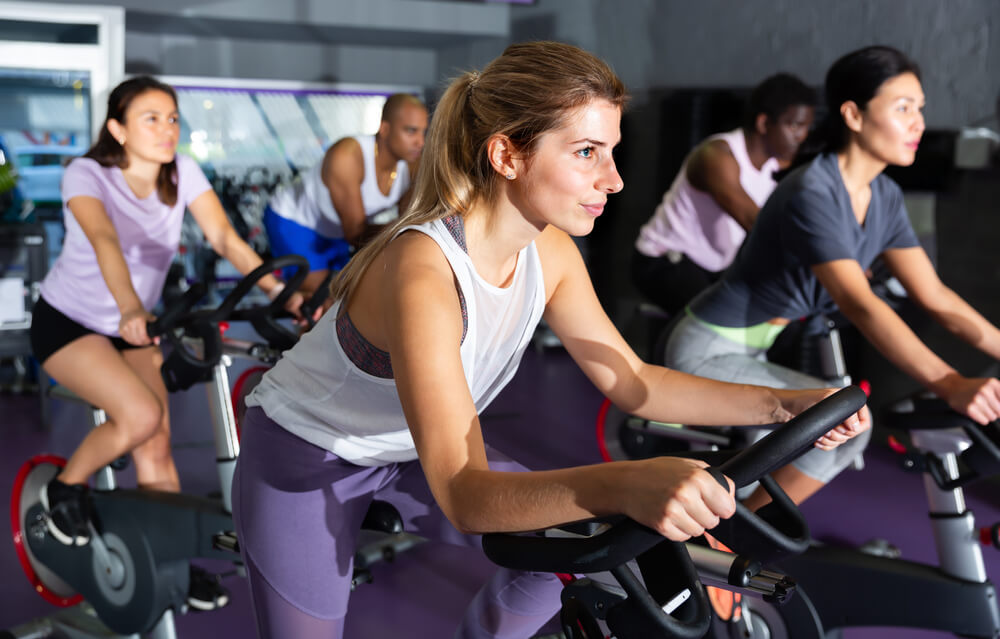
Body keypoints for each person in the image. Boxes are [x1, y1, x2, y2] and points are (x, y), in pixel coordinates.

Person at [231, 41, 869, 638]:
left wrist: (783, 406)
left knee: (569, 543)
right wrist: (623, 483)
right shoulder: (424, 271)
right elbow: (463, 494)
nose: (614, 180)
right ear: (507, 155)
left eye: (612, 152)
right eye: (587, 152)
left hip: (404, 448)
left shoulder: (552, 252)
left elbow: (636, 382)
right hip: (307, 454)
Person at [663, 45, 1000, 511]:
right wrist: (951, 383)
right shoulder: (812, 191)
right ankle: (730, 540)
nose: (918, 122)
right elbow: (860, 305)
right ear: (854, 116)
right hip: (704, 352)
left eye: (920, 109)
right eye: (903, 108)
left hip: (752, 350)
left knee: (845, 427)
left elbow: (937, 297)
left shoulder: (884, 197)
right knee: (841, 424)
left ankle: (733, 533)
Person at [29, 76, 308, 610]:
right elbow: (104, 238)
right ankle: (64, 489)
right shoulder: (86, 174)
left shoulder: (182, 172)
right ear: (117, 128)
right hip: (69, 322)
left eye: (173, 118)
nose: (167, 129)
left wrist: (281, 292)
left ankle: (171, 564)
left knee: (157, 440)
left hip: (137, 328)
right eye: (151, 119)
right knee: (138, 418)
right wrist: (131, 306)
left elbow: (226, 239)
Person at [632, 73, 817, 315]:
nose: (801, 136)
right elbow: (756, 223)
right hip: (664, 261)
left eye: (806, 127)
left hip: (713, 267)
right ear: (763, 124)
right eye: (794, 125)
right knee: (719, 320)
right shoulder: (717, 156)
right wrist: (826, 256)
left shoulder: (776, 166)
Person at [263, 93, 428, 297]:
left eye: (423, 132)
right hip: (295, 220)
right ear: (385, 129)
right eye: (411, 131)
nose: (420, 142)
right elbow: (357, 235)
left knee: (343, 296)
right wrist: (411, 226)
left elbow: (406, 223)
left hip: (336, 230)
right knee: (319, 296)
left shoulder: (413, 165)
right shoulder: (348, 155)